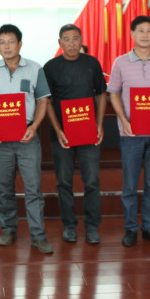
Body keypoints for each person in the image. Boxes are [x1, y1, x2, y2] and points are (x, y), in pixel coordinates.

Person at [0, 24, 53, 254]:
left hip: (27, 137)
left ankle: (38, 235)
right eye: (2, 42)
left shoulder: (35, 68)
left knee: (33, 188)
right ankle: (8, 229)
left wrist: (35, 127)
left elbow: (43, 100)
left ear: (20, 44)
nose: (6, 46)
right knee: (4, 187)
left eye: (11, 41)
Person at [108, 16, 150, 248]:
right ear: (132, 34)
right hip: (131, 134)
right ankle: (131, 229)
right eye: (141, 30)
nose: (145, 35)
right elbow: (113, 93)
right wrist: (123, 120)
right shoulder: (120, 62)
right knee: (130, 186)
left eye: (149, 31)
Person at [43, 24, 107, 245]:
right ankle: (69, 226)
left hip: (89, 133)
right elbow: (46, 101)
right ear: (60, 42)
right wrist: (58, 129)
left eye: (75, 38)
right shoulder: (50, 67)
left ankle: (92, 226)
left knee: (92, 181)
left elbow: (101, 95)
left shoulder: (92, 63)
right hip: (62, 136)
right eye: (67, 39)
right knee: (64, 182)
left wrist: (99, 124)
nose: (71, 43)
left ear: (81, 40)